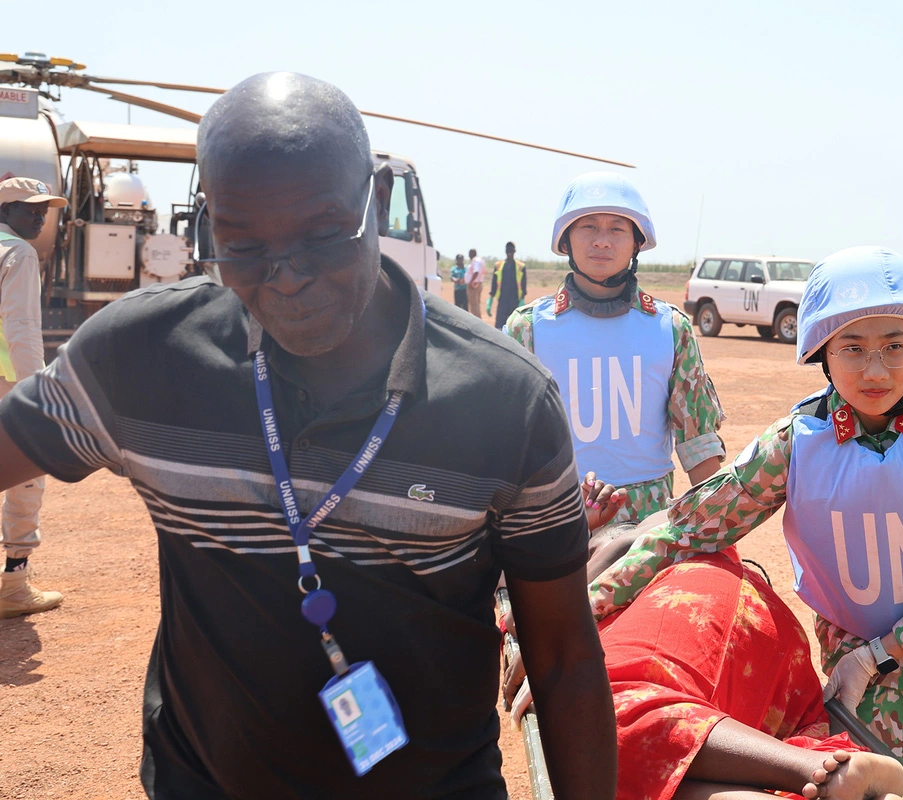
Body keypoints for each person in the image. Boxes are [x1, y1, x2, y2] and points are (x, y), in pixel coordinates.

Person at [0, 72, 616, 799]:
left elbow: (564, 656)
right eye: (243, 246)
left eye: (323, 235)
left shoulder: (506, 401)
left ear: (371, 205)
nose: (286, 277)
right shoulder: (141, 359)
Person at [590, 246, 903, 800]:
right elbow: (688, 526)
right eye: (853, 348)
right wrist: (583, 612)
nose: (875, 369)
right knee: (878, 793)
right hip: (863, 665)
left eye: (895, 346)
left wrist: (881, 651)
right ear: (822, 352)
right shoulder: (799, 441)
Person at [507, 477, 903, 800]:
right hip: (762, 642)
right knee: (638, 774)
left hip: (698, 606)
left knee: (590, 721)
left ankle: (808, 768)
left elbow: (525, 610)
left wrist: (583, 542)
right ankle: (819, 780)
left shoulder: (628, 540)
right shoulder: (684, 533)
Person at [503, 172, 725, 522]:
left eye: (617, 229)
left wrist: (718, 532)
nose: (602, 241)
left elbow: (698, 446)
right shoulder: (527, 329)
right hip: (554, 520)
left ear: (637, 242)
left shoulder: (671, 328)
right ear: (566, 242)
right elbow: (505, 445)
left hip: (647, 530)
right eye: (588, 227)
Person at [0, 176, 66, 619]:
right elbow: (21, 328)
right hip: (9, 383)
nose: (41, 216)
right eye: (29, 208)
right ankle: (13, 585)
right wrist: (36, 393)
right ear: (4, 211)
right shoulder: (18, 253)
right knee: (25, 473)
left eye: (44, 208)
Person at [487, 241, 525, 330]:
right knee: (499, 327)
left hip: (515, 301)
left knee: (515, 326)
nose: (509, 251)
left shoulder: (521, 266)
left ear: (515, 251)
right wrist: (490, 300)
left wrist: (522, 299)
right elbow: (494, 283)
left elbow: (523, 285)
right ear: (505, 251)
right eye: (508, 249)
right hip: (502, 300)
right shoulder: (498, 265)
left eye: (511, 249)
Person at [466, 248, 485, 317]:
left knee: (474, 305)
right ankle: (478, 320)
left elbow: (476, 271)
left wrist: (471, 282)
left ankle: (476, 321)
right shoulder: (481, 260)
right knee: (477, 304)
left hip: (473, 285)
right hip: (479, 283)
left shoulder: (475, 261)